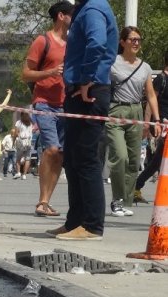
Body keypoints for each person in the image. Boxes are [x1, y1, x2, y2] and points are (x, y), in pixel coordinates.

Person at [52, 0, 117, 241]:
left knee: (87, 159)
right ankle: (75, 222)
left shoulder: (93, 9)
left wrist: (87, 79)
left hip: (89, 90)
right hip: (80, 89)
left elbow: (98, 43)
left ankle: (91, 226)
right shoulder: (84, 9)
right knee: (73, 159)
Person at [23, 1, 74, 216]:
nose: (76, 18)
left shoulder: (72, 43)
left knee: (60, 154)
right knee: (52, 149)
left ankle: (46, 202)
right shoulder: (42, 41)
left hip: (66, 104)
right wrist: (50, 72)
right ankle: (41, 201)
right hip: (43, 102)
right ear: (61, 16)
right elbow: (25, 74)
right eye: (73, 14)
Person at [106, 27, 161, 217]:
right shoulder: (112, 63)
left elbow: (151, 94)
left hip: (136, 111)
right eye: (132, 39)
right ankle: (117, 200)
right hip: (116, 110)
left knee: (133, 160)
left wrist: (156, 119)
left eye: (139, 39)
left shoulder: (144, 67)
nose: (136, 43)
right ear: (122, 42)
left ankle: (125, 201)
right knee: (120, 156)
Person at [135, 50, 168, 203]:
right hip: (162, 124)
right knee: (157, 161)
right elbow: (150, 102)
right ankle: (136, 186)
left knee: (157, 162)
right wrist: (148, 124)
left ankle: (137, 185)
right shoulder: (161, 79)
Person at [14, 113, 34, 181]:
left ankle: (18, 172)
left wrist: (14, 141)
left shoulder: (19, 122)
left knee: (18, 158)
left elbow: (16, 133)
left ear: (21, 116)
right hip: (28, 142)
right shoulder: (30, 123)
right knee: (27, 159)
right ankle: (24, 175)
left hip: (21, 142)